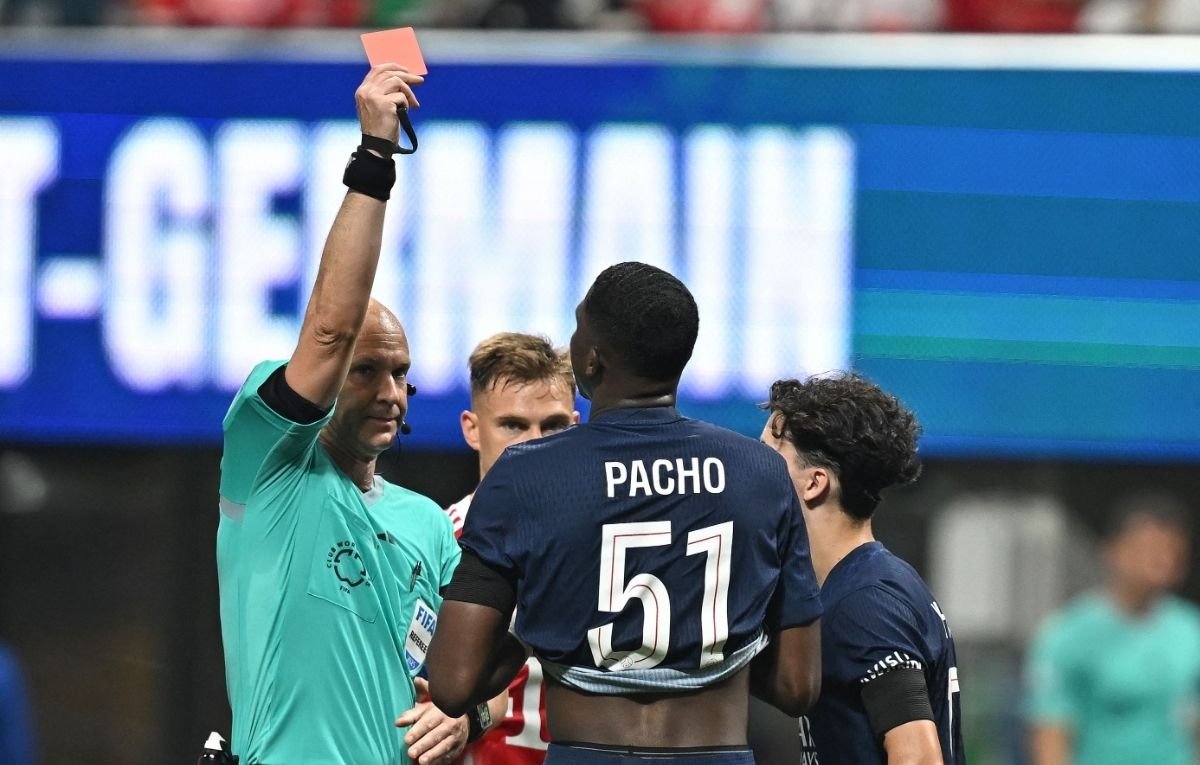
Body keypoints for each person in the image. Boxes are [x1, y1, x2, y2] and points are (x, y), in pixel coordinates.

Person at [427, 261, 824, 765]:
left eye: (577, 327)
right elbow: (797, 685)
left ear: (592, 360)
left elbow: (453, 684)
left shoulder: (524, 475)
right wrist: (710, 653)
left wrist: (535, 630)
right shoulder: (761, 472)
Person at [216, 65, 492, 765]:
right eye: (366, 372)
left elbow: (488, 652)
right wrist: (374, 158)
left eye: (401, 373)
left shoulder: (428, 524)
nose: (391, 393)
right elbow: (332, 330)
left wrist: (471, 715)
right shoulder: (266, 458)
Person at [759, 372, 964, 765]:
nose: (751, 471)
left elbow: (918, 759)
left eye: (767, 454)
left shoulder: (866, 603)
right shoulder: (866, 584)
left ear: (814, 483)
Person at [445, 332, 581, 765]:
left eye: (554, 425)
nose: (535, 443)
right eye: (513, 425)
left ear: (576, 427)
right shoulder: (435, 541)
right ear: (472, 428)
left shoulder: (609, 540)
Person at [1025, 492, 1200, 765]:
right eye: (1148, 550)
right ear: (1113, 550)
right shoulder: (1067, 635)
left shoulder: (1190, 631)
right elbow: (1051, 732)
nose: (1160, 563)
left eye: (1172, 553)